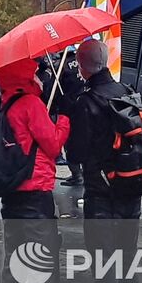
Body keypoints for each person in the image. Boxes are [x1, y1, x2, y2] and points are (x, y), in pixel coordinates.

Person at [0, 57, 72, 283]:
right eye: (37, 71)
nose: (41, 75)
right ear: (27, 75)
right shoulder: (30, 104)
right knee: (41, 272)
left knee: (14, 269)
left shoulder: (5, 104)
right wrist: (63, 118)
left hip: (11, 198)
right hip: (35, 197)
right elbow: (52, 145)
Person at [68, 38, 140, 283]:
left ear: (83, 67)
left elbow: (78, 152)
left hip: (101, 195)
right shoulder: (128, 94)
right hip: (131, 194)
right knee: (127, 262)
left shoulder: (88, 101)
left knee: (104, 266)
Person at [56, 46, 87, 186]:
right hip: (85, 105)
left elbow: (54, 88)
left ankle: (77, 175)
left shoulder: (61, 66)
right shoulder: (82, 61)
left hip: (68, 108)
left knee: (68, 142)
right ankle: (83, 174)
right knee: (83, 140)